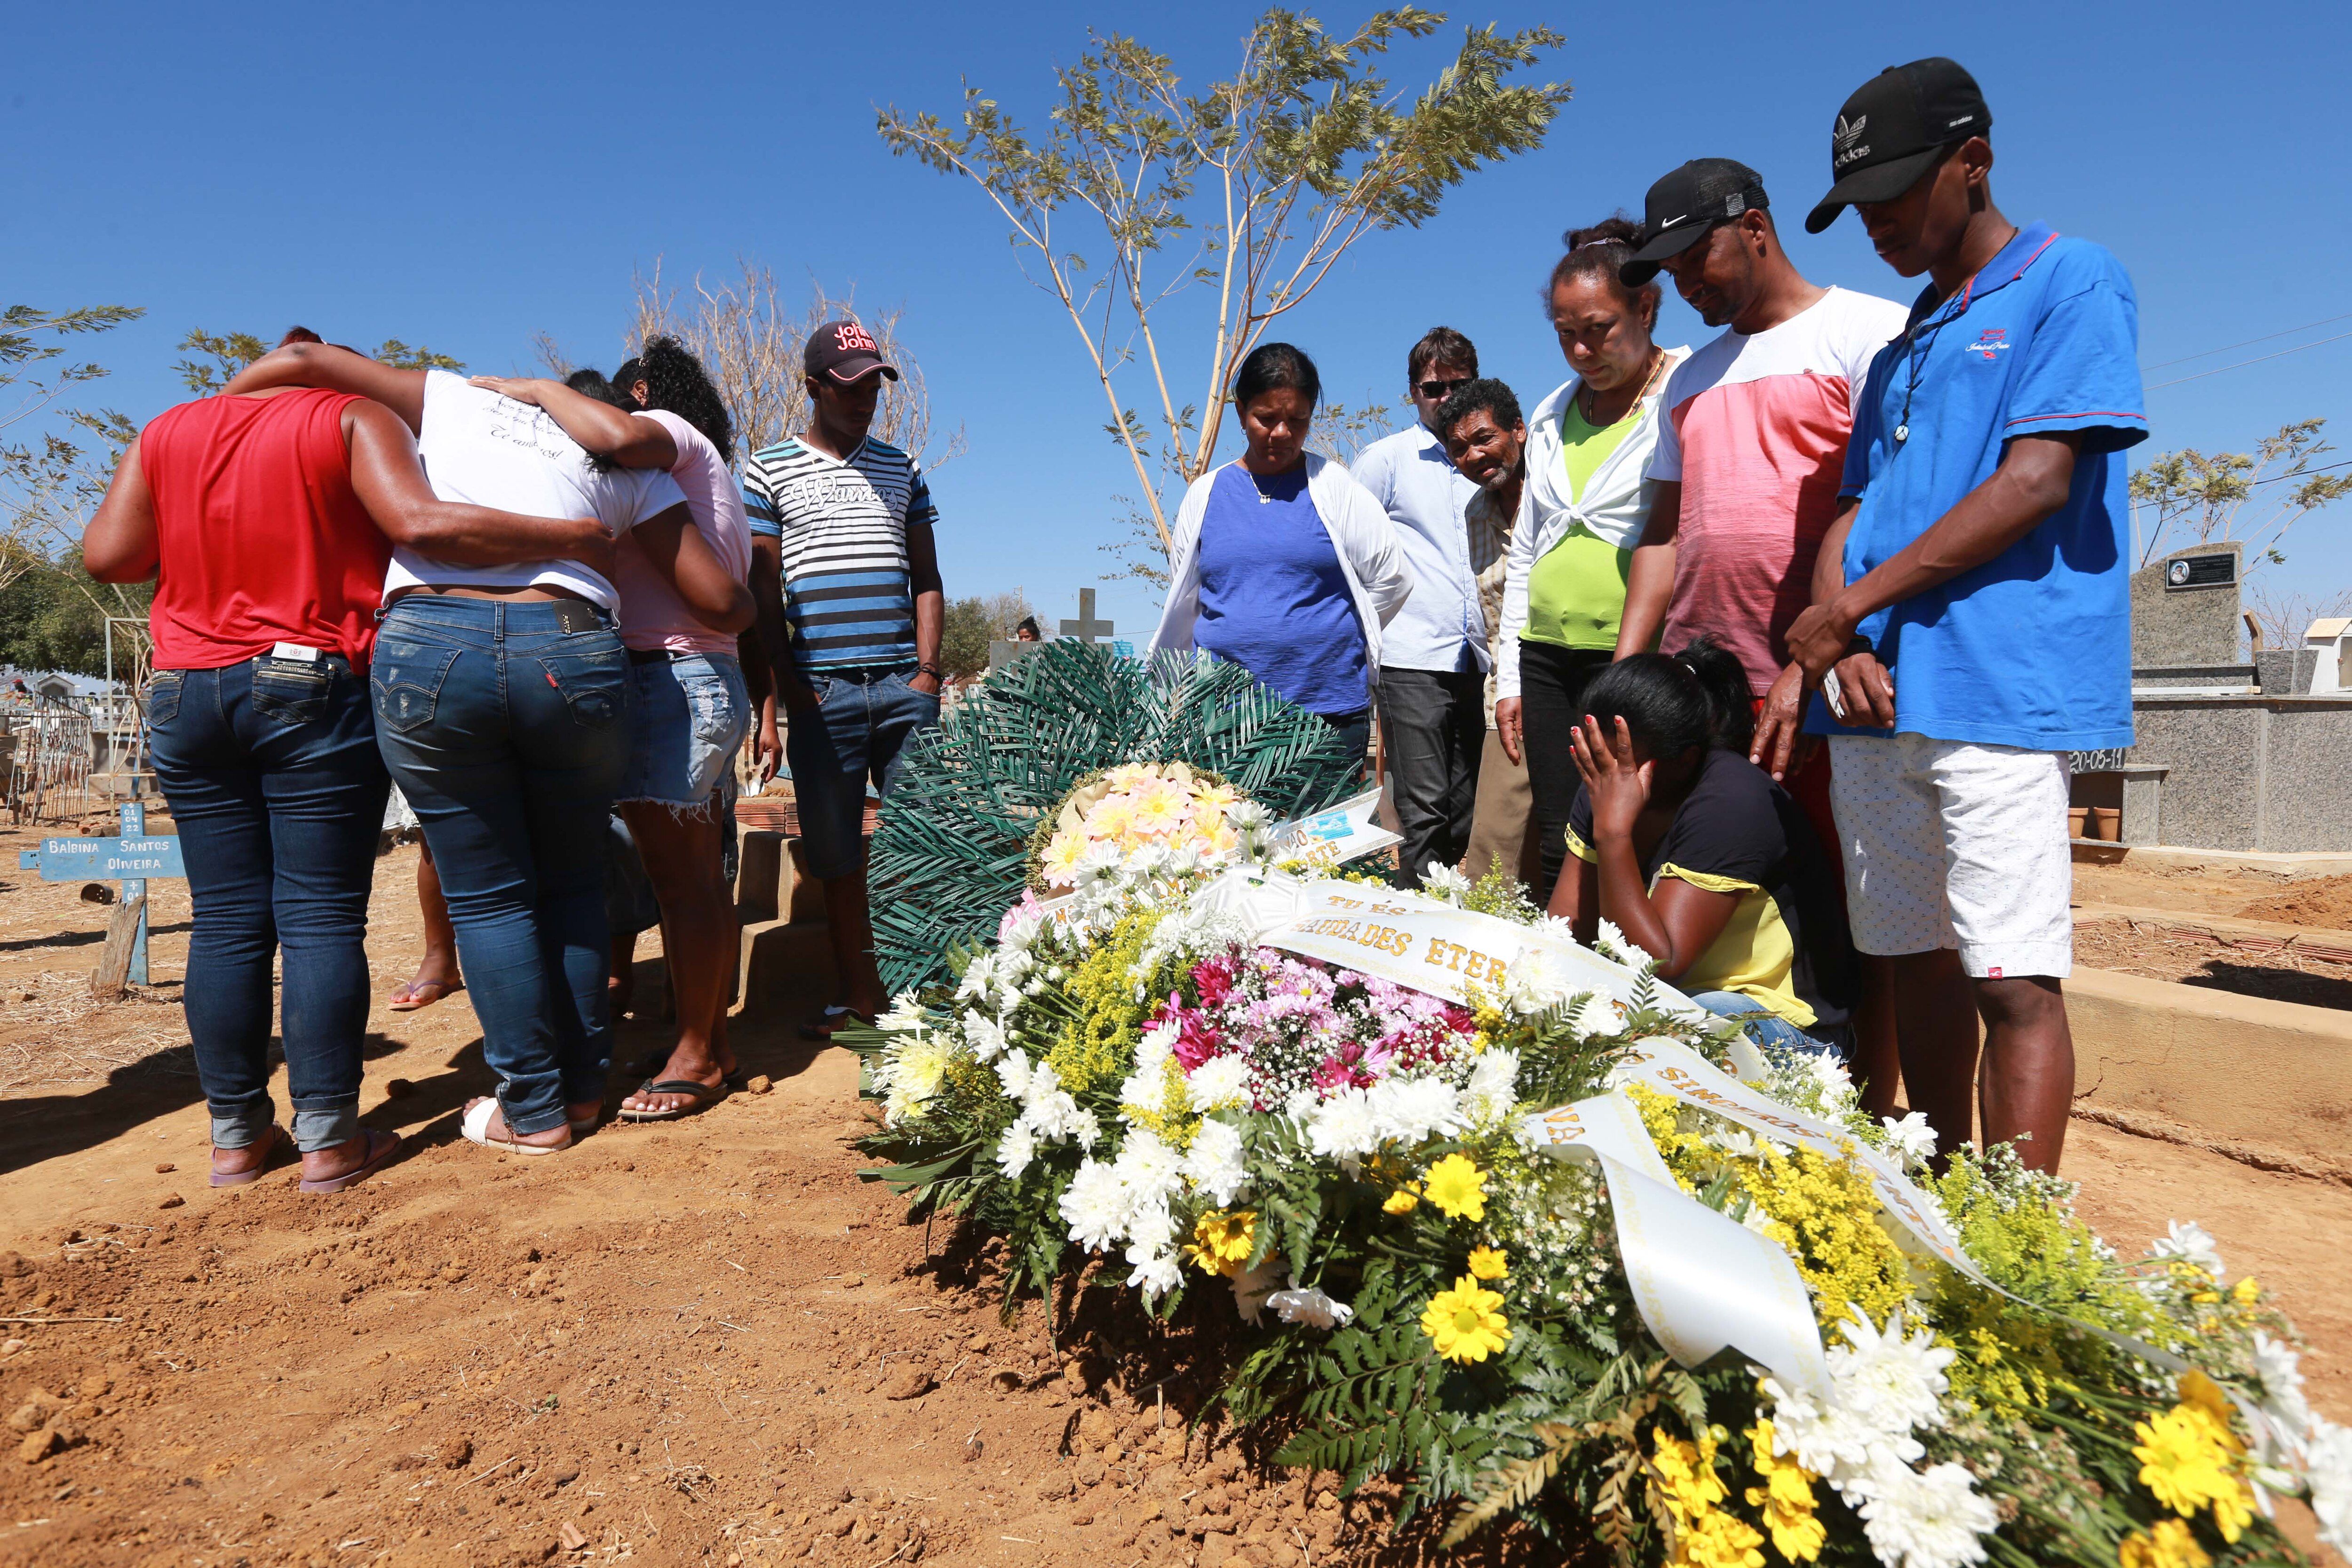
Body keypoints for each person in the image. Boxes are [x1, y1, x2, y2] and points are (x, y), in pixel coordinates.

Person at [82, 330, 615, 1190]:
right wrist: (578, 538)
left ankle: (235, 1137)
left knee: (225, 921)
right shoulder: (350, 418)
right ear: (325, 360)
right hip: (311, 679)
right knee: (322, 916)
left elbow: (110, 556)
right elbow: (417, 521)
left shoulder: (167, 430)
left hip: (188, 687)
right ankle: (328, 1137)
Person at [223, 340, 753, 1156]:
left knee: (489, 897)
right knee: (577, 881)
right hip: (578, 647)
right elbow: (722, 596)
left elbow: (301, 359)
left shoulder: (450, 401)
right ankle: (579, 1095)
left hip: (436, 641)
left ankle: (534, 1108)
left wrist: (218, 420)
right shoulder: (620, 464)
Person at [1767, 58, 2147, 1173]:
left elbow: (2035, 482)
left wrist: (1847, 614)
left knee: (2009, 976)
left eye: (1895, 191)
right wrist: (1840, 627)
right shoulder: (1900, 346)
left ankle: (2016, 1246)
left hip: (1994, 687)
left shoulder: (2070, 281)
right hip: (1878, 697)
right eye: (1858, 205)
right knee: (1915, 957)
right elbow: (1852, 511)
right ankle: (1936, 1196)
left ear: (1971, 162)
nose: (1875, 222)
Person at [1613, 162, 1908, 1114]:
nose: (1685, 282)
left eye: (1695, 254)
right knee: (1731, 902)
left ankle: (1869, 1115)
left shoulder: (1867, 333)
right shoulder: (1688, 381)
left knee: (1860, 911)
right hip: (1711, 696)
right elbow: (1662, 534)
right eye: (1667, 265)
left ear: (1756, 228)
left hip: (1828, 686)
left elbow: (1894, 505)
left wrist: (1827, 646)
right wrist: (1628, 671)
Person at [468, 339, 757, 1121]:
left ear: (640, 393)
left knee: (683, 878)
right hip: (680, 676)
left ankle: (699, 1052)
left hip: (675, 676)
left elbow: (618, 437)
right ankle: (708, 1041)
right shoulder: (697, 478)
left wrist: (535, 390)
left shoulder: (665, 435)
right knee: (681, 874)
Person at [740, 321, 947, 1042]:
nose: (866, 399)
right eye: (850, 385)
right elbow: (762, 591)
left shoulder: (902, 467)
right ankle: (862, 998)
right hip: (820, 692)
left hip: (902, 688)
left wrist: (926, 673)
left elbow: (927, 576)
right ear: (814, 387)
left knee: (927, 840)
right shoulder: (767, 470)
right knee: (835, 855)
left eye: (874, 386)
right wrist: (787, 692)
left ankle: (930, 988)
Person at [1494, 219, 1690, 898]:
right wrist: (1508, 678)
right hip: (1546, 656)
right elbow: (1525, 552)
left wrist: (1634, 666)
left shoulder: (1686, 391)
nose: (1581, 349)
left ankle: (1638, 983)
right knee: (1560, 834)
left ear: (1645, 308)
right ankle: (1568, 990)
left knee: (1635, 829)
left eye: (1599, 328)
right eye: (1564, 333)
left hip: (1637, 657)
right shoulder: (1551, 415)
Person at [1548, 641, 1857, 1060]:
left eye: (1622, 760)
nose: (1604, 772)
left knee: (1672, 1031)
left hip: (1782, 1025)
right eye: (1596, 753)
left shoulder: (1731, 801)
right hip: (1665, 1004)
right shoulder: (1606, 782)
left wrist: (1614, 834)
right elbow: (1564, 932)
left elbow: (1661, 963)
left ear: (1686, 758)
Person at [1148, 343, 1409, 768]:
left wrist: (1333, 635)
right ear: (1240, 413)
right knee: (1231, 834)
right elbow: (1187, 592)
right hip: (1224, 720)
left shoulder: (1334, 487)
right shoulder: (1205, 495)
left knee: (1323, 835)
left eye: (1298, 419)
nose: (1283, 432)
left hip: (1327, 717)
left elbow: (1392, 578)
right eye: (1266, 419)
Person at [1351, 328, 1486, 885]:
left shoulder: (1489, 457)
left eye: (1459, 385)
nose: (1447, 398)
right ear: (1413, 392)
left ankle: (1462, 925)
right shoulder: (1384, 462)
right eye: (1434, 388)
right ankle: (1413, 932)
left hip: (1479, 659)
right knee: (1422, 807)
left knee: (1472, 805)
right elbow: (1348, 551)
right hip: (1411, 658)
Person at [1436, 379, 1539, 888]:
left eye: (1483, 438)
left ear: (1517, 431)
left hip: (1582, 676)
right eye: (1458, 448)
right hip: (1511, 693)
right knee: (1495, 848)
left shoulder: (1559, 488)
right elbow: (1496, 621)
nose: (1473, 455)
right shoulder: (1476, 514)